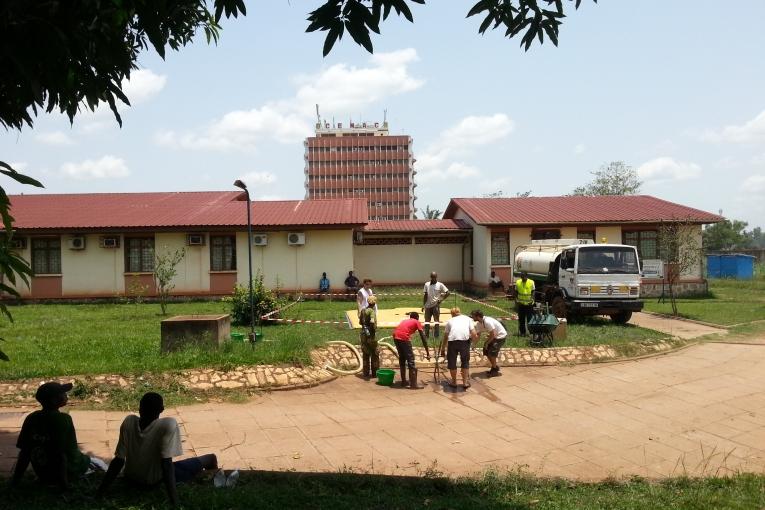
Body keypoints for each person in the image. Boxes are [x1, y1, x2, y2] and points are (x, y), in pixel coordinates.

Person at [97, 392, 219, 507]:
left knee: (181, 465)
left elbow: (118, 461)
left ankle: (206, 475)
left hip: (131, 478)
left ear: (140, 409)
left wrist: (100, 492)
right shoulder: (166, 425)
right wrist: (175, 502)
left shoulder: (129, 421)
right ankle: (213, 478)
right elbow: (167, 465)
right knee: (211, 458)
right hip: (154, 481)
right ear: (161, 410)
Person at [11, 381, 93, 490]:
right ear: (54, 400)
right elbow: (60, 455)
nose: (66, 396)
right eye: (63, 394)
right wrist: (64, 485)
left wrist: (15, 480)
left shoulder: (31, 418)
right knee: (87, 460)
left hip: (43, 472)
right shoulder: (63, 419)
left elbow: (24, 452)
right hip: (67, 471)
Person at [440, 307, 477, 389]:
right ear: (460, 312)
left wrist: (443, 349)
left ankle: (454, 382)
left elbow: (445, 336)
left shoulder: (450, 321)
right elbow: (474, 333)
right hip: (464, 342)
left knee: (452, 362)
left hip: (452, 342)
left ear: (452, 314)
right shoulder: (468, 319)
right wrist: (474, 344)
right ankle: (465, 383)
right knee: (465, 362)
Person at [392, 311, 430, 389]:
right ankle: (413, 384)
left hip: (395, 336)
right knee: (411, 360)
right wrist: (427, 352)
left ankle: (403, 382)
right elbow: (423, 337)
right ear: (417, 318)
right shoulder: (416, 322)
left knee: (402, 358)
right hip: (404, 338)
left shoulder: (405, 320)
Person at [470, 310, 508, 377]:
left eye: (473, 316)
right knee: (486, 350)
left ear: (478, 317)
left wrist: (487, 343)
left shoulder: (487, 321)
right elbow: (478, 335)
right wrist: (474, 344)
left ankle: (494, 370)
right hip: (494, 336)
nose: (472, 317)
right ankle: (494, 367)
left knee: (492, 352)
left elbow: (492, 334)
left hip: (500, 337)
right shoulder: (479, 323)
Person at [422, 272, 449, 342]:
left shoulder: (440, 285)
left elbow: (448, 292)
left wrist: (441, 299)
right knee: (426, 321)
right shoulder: (426, 284)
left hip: (435, 306)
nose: (433, 278)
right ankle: (426, 335)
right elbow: (425, 295)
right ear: (430, 277)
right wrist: (423, 305)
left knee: (436, 321)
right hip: (427, 306)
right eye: (431, 277)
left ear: (436, 277)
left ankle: (436, 336)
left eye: (434, 277)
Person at [359, 295, 379, 379]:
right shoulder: (371, 311)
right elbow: (372, 321)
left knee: (366, 353)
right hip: (371, 335)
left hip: (363, 334)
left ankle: (366, 373)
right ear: (374, 303)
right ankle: (375, 373)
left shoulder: (363, 311)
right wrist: (371, 331)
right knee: (375, 353)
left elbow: (360, 322)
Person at [515, 271, 535, 337]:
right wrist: (516, 300)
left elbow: (533, 291)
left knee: (530, 320)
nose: (523, 278)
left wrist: (532, 299)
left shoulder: (531, 282)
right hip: (521, 304)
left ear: (527, 276)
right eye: (522, 277)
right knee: (521, 320)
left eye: (524, 277)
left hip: (529, 304)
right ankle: (522, 332)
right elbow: (516, 291)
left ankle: (531, 333)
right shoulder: (518, 282)